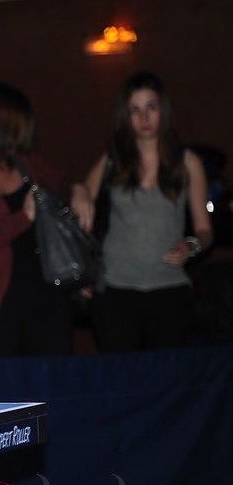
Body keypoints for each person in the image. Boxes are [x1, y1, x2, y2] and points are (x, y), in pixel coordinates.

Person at [76, 71, 212, 352]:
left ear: (162, 109)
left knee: (167, 382)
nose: (144, 117)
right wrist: (79, 191)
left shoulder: (187, 162)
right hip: (114, 290)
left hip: (169, 289)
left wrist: (191, 245)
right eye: (135, 110)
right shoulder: (114, 159)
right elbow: (82, 197)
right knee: (122, 382)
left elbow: (204, 229)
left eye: (150, 107)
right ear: (126, 116)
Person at [0, 83, 87, 356]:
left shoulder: (26, 163)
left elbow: (62, 183)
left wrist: (79, 191)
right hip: (0, 296)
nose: (26, 132)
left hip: (48, 288)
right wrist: (24, 217)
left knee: (54, 377)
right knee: (7, 381)